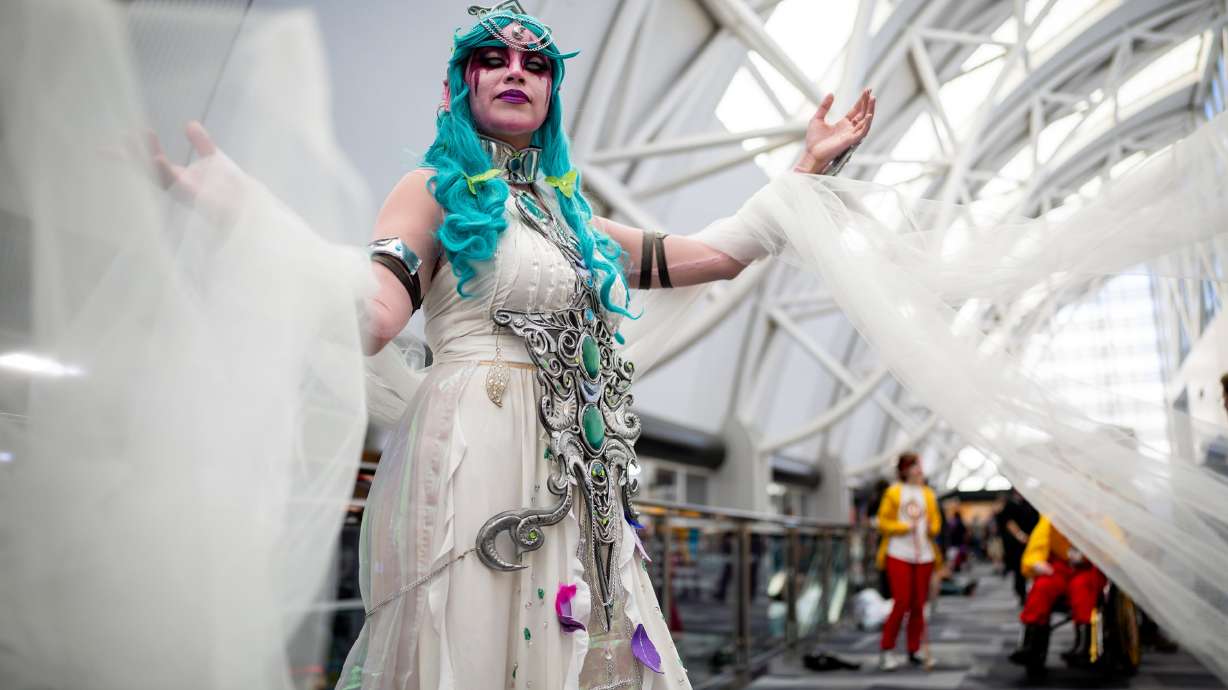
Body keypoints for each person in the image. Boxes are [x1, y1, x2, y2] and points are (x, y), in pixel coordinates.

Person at [1008, 514, 1106, 668]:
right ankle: (1031, 645)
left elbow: (1110, 546)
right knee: (1042, 587)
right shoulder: (1052, 516)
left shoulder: (1100, 516)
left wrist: (1089, 554)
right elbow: (1039, 541)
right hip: (1060, 567)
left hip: (1087, 567)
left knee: (1082, 588)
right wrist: (1036, 562)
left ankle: (1085, 646)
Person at [875, 452, 941, 671]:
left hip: (924, 555)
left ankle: (914, 648)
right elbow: (883, 522)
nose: (919, 469)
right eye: (914, 465)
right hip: (898, 553)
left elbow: (936, 524)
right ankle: (887, 649)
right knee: (901, 602)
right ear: (904, 469)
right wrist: (903, 527)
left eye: (919, 464)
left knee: (918, 605)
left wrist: (931, 528)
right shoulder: (894, 492)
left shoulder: (928, 493)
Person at [996, 489, 1039, 606]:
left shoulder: (1031, 503)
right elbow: (1009, 522)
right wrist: (1020, 535)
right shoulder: (1011, 504)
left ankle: (1034, 594)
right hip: (1017, 544)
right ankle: (1022, 594)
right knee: (1019, 569)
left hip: (1033, 541)